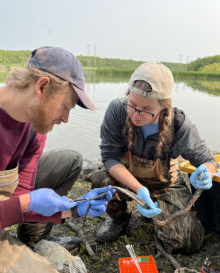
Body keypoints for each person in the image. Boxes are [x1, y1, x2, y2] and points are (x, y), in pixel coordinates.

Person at [0, 46, 115, 273]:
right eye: (65, 107)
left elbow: (19, 201)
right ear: (42, 87)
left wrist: (74, 208)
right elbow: (23, 202)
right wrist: (27, 202)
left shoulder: (33, 130)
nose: (66, 119)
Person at [86, 62, 216, 255]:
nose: (136, 115)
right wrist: (139, 190)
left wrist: (206, 173)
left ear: (163, 106)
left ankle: (159, 218)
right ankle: (119, 217)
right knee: (101, 182)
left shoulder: (179, 123)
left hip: (165, 183)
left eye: (146, 109)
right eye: (132, 105)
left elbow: (208, 160)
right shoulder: (117, 110)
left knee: (188, 243)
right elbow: (110, 158)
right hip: (128, 179)